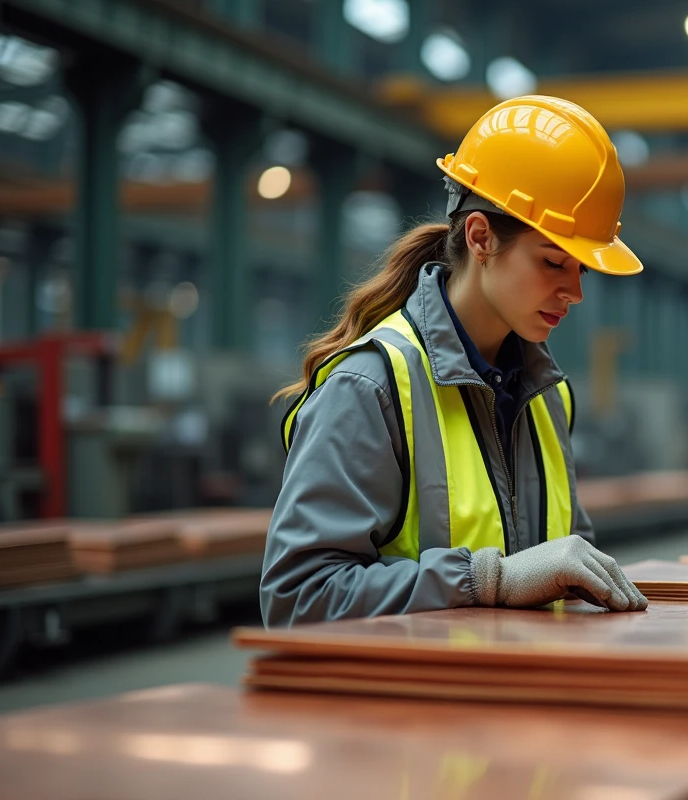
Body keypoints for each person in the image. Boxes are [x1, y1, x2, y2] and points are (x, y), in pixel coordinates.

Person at [261, 96, 648, 626]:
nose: (573, 291)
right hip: (409, 706)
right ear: (481, 237)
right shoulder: (371, 387)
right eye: (554, 261)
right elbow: (298, 598)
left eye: (582, 269)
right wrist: (489, 581)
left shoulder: (548, 396)